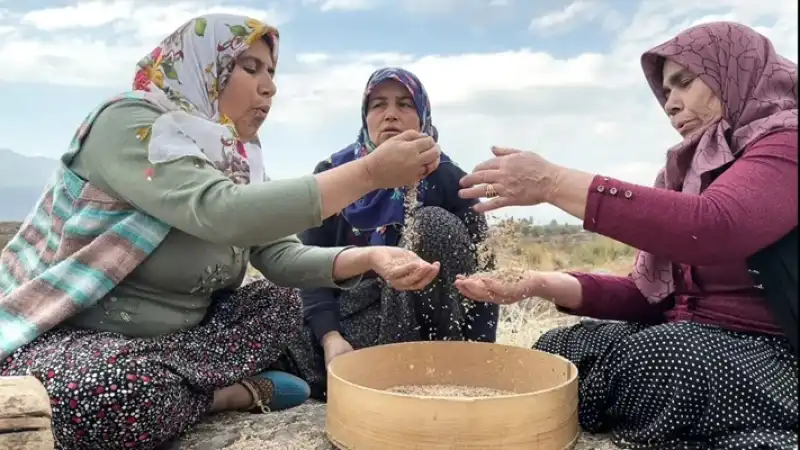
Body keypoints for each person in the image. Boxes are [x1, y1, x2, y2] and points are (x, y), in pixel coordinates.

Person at [0, 15, 444, 450]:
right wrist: (368, 173)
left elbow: (278, 254)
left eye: (271, 72)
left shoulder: (233, 155)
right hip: (71, 333)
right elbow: (220, 212)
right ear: (202, 67)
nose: (268, 86)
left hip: (183, 339)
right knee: (108, 394)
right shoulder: (131, 122)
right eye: (249, 68)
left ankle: (177, 383)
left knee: (280, 303)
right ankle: (224, 394)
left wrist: (369, 259)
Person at [454, 22, 798, 450]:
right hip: (687, 337)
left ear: (734, 73)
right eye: (665, 93)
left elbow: (713, 226)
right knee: (554, 349)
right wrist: (538, 284)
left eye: (684, 83)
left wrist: (552, 183)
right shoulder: (687, 174)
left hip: (773, 355)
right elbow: (649, 296)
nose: (671, 104)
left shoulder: (785, 143)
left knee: (660, 361)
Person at [277, 67, 500, 399]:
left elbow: (484, 273)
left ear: (422, 115)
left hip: (425, 335)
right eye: (378, 104)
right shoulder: (334, 175)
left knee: (432, 224)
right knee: (267, 310)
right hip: (355, 323)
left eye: (405, 104)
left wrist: (479, 364)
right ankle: (341, 373)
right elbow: (310, 267)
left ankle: (427, 378)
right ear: (365, 116)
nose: (391, 115)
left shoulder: (450, 180)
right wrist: (331, 339)